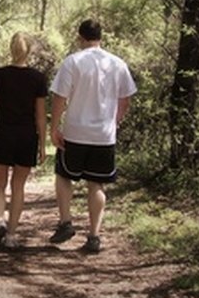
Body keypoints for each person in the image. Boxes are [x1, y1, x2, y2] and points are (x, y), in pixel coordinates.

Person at [48, 19, 137, 253]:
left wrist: (54, 127)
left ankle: (66, 222)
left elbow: (59, 97)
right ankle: (94, 236)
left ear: (80, 37)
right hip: (104, 135)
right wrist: (115, 120)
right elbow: (125, 99)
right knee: (96, 184)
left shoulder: (73, 62)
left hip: (75, 132)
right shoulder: (117, 63)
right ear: (101, 37)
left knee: (63, 175)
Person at [0, 33, 47, 249]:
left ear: (10, 49)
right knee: (18, 186)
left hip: (3, 134)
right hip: (27, 137)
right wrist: (43, 144)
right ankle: (10, 236)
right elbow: (40, 115)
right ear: (30, 51)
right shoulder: (38, 78)